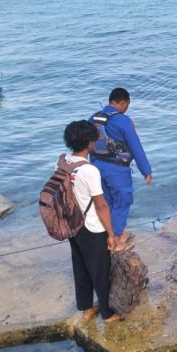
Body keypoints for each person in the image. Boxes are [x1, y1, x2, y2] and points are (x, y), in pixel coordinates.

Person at [61, 120, 121, 323]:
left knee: (80, 265)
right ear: (88, 142)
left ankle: (86, 308)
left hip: (72, 223)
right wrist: (111, 234)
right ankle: (107, 313)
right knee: (100, 270)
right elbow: (101, 206)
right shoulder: (90, 170)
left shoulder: (62, 161)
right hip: (92, 228)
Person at [89, 88, 152, 252]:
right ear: (123, 102)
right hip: (117, 169)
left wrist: (91, 167)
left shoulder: (93, 118)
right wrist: (146, 170)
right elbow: (135, 146)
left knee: (107, 202)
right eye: (127, 105)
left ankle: (111, 234)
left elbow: (88, 145)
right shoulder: (123, 121)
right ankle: (116, 241)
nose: (126, 108)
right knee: (123, 202)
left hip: (96, 166)